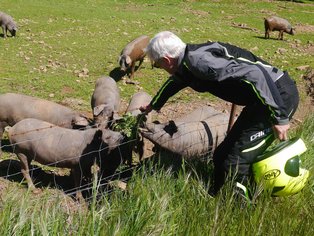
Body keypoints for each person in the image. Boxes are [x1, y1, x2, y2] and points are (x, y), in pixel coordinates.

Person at [140, 31, 299, 202]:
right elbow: (176, 81)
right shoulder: (187, 62)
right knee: (221, 155)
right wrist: (154, 105)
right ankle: (217, 198)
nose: (160, 68)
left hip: (278, 98)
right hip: (260, 101)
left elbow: (255, 75)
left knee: (235, 161)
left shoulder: (199, 62)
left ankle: (240, 212)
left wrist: (279, 116)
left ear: (166, 60)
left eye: (157, 65)